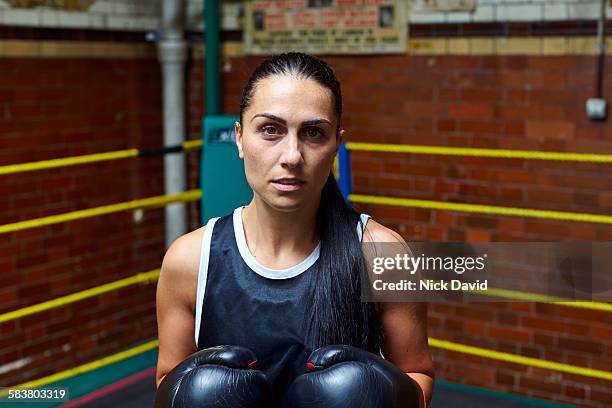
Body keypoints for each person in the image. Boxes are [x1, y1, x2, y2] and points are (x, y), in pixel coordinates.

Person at [155, 52, 434, 407]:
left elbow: (418, 376)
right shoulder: (190, 260)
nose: (292, 155)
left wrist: (377, 397)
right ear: (239, 138)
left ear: (336, 145)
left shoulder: (382, 253)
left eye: (313, 133)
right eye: (270, 129)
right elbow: (168, 383)